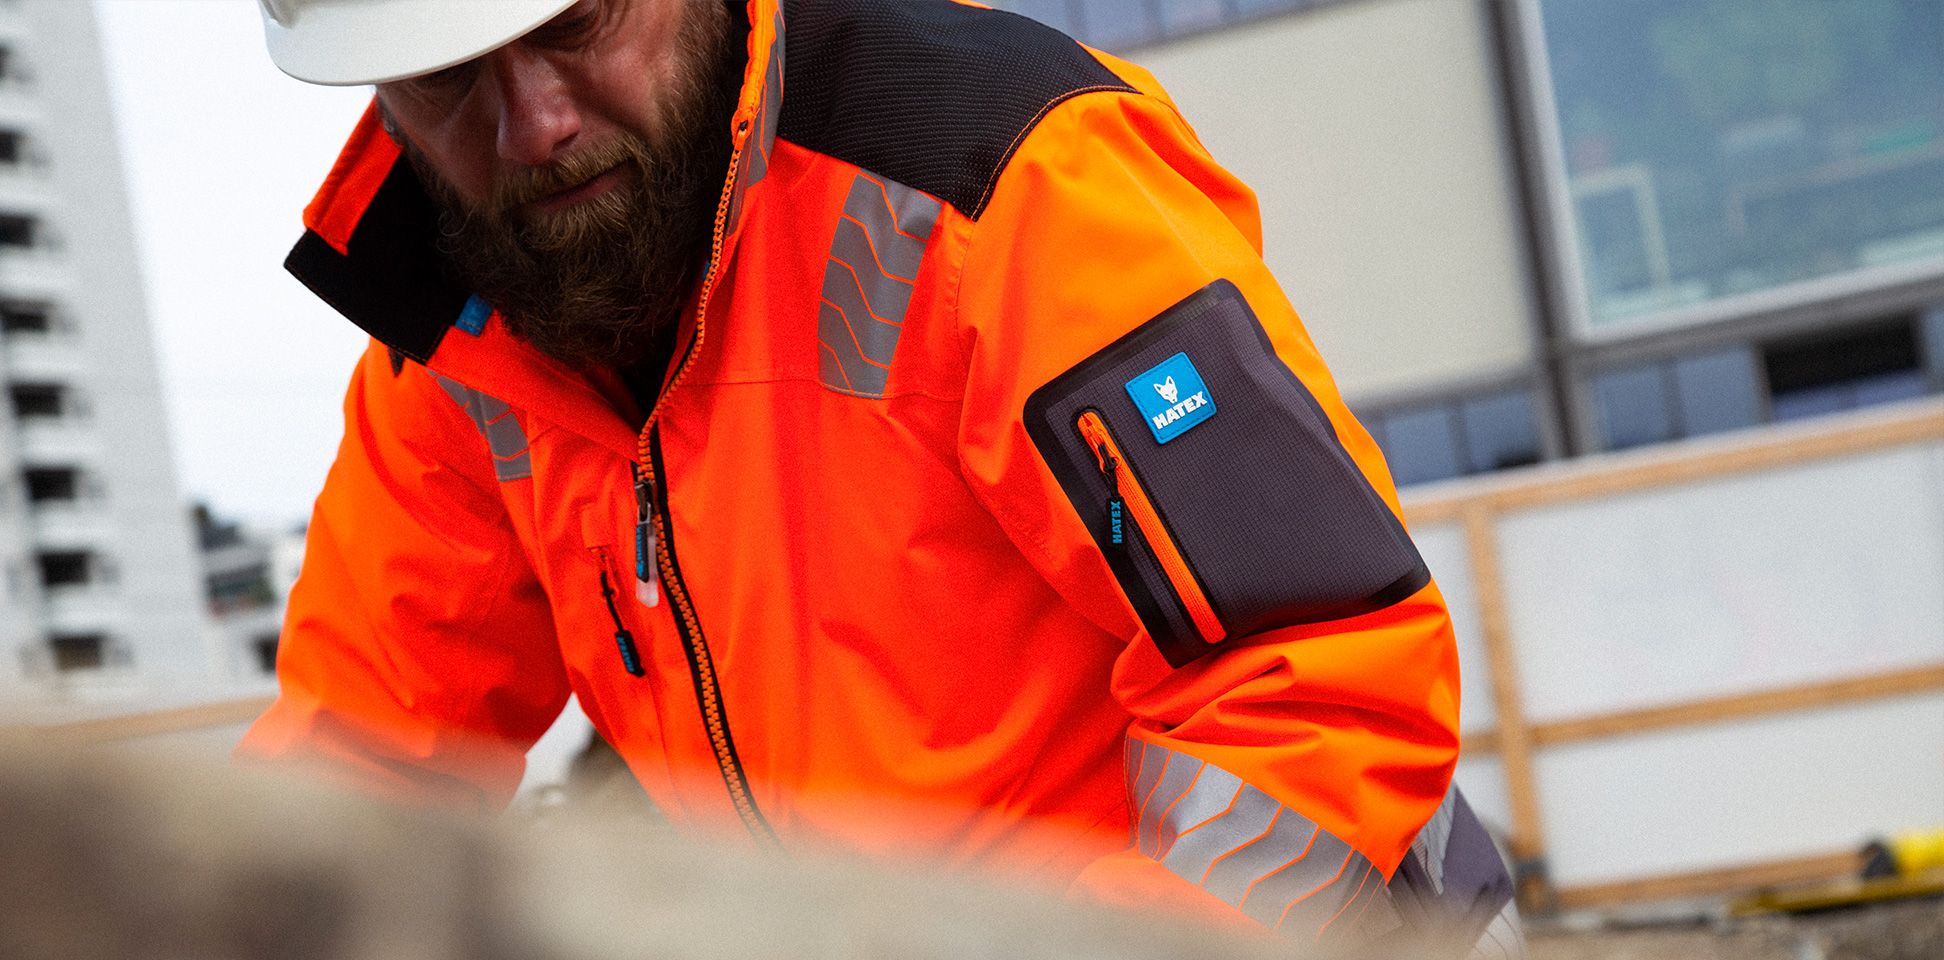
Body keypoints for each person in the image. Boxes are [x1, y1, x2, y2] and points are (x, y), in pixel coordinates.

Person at [238, 0, 1522, 954]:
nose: (535, 125)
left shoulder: (999, 176)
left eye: (577, 24)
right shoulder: (459, 354)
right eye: (446, 76)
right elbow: (356, 776)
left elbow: (1317, 681)